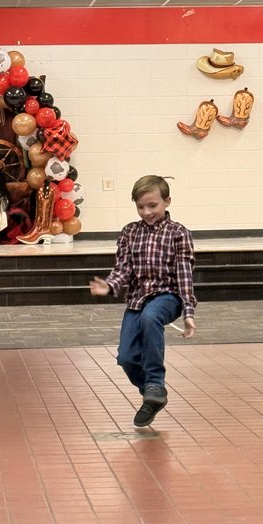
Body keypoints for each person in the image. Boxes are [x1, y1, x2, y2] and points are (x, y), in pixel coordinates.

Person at [89, 175, 196, 427]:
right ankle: (152, 395)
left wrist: (188, 312)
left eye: (153, 205)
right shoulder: (129, 232)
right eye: (141, 207)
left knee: (151, 317)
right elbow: (123, 270)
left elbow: (184, 274)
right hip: (137, 300)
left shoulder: (179, 233)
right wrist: (109, 285)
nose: (147, 212)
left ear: (167, 201)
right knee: (125, 357)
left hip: (167, 296)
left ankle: (155, 383)